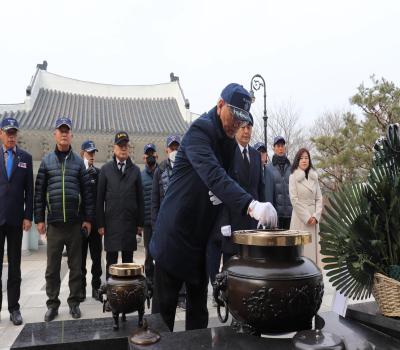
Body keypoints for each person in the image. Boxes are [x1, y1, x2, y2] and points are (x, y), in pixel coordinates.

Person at [150, 83, 277, 331]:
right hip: (175, 234)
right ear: (220, 106)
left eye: (244, 121)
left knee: (198, 315)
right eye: (235, 118)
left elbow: (228, 180)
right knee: (162, 317)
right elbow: (214, 175)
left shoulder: (229, 141)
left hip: (200, 237)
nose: (238, 126)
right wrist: (251, 206)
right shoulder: (200, 131)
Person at [34, 117, 94, 322]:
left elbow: (87, 194)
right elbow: (39, 192)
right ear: (55, 134)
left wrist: (87, 219)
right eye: (61, 130)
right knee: (52, 268)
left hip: (75, 224)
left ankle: (74, 303)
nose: (64, 134)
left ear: (71, 135)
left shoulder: (78, 162)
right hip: (55, 225)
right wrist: (39, 219)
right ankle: (52, 304)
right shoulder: (46, 161)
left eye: (67, 130)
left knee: (76, 267)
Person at [97, 131, 144, 280]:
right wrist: (100, 223)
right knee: (111, 262)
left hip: (129, 224)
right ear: (114, 148)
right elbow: (100, 199)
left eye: (126, 145)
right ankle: (111, 296)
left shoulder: (136, 171)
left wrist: (140, 223)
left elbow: (140, 199)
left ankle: (127, 295)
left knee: (128, 263)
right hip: (111, 223)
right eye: (120, 145)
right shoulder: (105, 170)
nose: (124, 148)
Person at [0, 117, 33, 326]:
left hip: (15, 220)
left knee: (15, 266)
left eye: (14, 133)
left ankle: (14, 308)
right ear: (1, 133)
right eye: (7, 132)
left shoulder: (25, 158)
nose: (11, 136)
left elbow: (29, 190)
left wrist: (28, 215)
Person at [150, 135, 185, 311]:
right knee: (166, 261)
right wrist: (156, 226)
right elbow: (154, 201)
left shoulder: (186, 167)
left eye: (177, 147)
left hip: (182, 224)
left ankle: (183, 296)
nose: (175, 151)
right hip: (165, 223)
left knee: (183, 260)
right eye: (172, 148)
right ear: (166, 150)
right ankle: (168, 297)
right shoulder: (159, 170)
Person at [289, 148, 323, 264]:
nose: (304, 160)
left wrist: (316, 216)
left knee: (313, 253)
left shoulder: (314, 177)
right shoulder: (293, 177)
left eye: (306, 158)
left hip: (313, 219)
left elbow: (319, 198)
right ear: (297, 160)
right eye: (301, 158)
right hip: (300, 218)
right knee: (301, 252)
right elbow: (294, 199)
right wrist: (307, 217)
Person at [79, 140, 102, 301]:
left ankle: (96, 287)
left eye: (93, 153)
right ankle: (81, 289)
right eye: (89, 153)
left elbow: (101, 201)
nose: (92, 156)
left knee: (96, 258)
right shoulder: (78, 171)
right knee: (80, 259)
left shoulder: (98, 173)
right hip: (80, 224)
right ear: (83, 154)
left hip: (94, 223)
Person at [264, 136, 292, 229]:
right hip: (276, 215)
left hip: (291, 214)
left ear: (285, 148)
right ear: (274, 148)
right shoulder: (268, 168)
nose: (280, 148)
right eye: (278, 146)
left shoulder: (292, 168)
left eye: (282, 146)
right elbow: (267, 193)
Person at [141, 143, 158, 285]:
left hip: (160, 222)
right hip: (147, 222)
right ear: (144, 157)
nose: (150, 156)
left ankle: (159, 279)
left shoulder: (162, 173)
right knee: (148, 254)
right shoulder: (141, 176)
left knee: (161, 252)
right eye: (148, 154)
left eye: (153, 154)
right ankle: (149, 279)